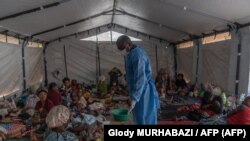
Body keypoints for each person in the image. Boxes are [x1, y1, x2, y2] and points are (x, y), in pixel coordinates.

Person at [116, 35, 159, 125]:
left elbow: (140, 78)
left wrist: (135, 98)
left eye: (122, 48)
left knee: (144, 117)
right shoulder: (131, 54)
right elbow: (132, 72)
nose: (122, 51)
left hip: (143, 91)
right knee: (139, 117)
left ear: (129, 44)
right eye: (120, 49)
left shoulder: (138, 55)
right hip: (137, 90)